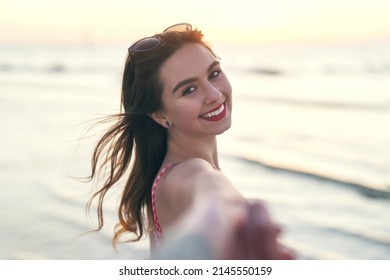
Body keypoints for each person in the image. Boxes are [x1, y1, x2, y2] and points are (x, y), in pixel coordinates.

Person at [87, 23, 294, 259]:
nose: (215, 95)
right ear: (160, 115)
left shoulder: (173, 172)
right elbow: (210, 191)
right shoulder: (184, 173)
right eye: (189, 90)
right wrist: (232, 215)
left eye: (214, 74)